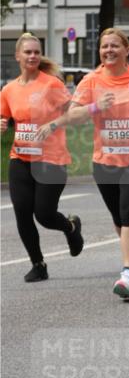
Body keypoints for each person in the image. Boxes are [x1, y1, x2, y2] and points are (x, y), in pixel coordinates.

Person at [67, 28, 129, 301]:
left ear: (126, 50)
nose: (108, 50)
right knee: (119, 218)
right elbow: (72, 116)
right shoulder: (90, 81)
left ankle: (127, 273)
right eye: (104, 47)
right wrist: (94, 107)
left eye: (114, 46)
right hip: (106, 160)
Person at [0, 33, 84, 282]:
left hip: (51, 160)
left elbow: (73, 114)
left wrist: (55, 124)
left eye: (36, 52)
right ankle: (38, 264)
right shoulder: (8, 89)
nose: (33, 56)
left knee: (44, 214)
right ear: (18, 56)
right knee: (23, 214)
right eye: (28, 52)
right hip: (20, 159)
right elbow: (5, 117)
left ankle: (71, 227)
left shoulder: (52, 84)